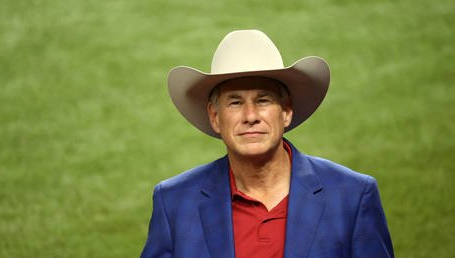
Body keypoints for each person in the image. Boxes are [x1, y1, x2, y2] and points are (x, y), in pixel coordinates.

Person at [141, 30, 394, 258]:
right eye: (235, 102)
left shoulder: (352, 196)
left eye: (263, 100)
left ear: (286, 111)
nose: (251, 116)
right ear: (215, 117)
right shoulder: (174, 202)